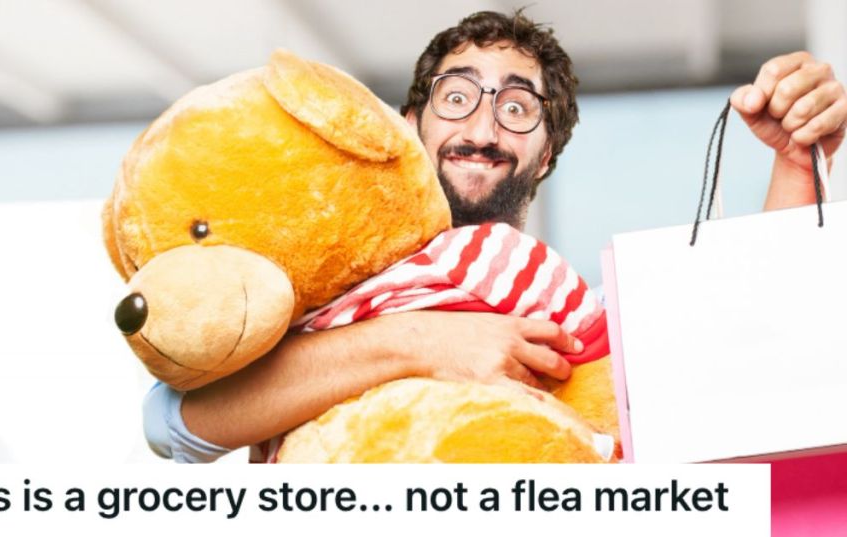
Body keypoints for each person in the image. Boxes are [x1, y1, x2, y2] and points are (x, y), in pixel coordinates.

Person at [143, 10, 847, 463]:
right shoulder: (332, 292)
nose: (481, 130)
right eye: (457, 98)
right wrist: (424, 342)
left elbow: (752, 356)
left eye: (517, 107)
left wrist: (795, 158)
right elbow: (175, 419)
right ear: (410, 124)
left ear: (546, 154)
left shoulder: (577, 324)